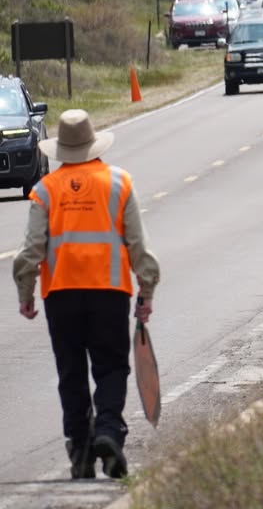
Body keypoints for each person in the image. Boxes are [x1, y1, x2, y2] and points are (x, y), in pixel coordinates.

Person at [13, 109, 161, 480]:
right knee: (111, 368)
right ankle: (109, 433)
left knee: (71, 373)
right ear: (94, 145)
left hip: (61, 295)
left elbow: (31, 250)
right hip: (109, 292)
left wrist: (26, 293)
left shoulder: (45, 190)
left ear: (61, 149)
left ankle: (80, 453)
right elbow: (138, 246)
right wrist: (146, 291)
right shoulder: (119, 183)